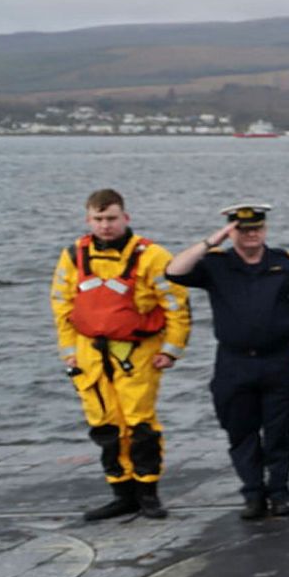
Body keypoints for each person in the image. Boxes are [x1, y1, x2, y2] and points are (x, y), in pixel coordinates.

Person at [165, 205, 289, 520]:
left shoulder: (284, 264)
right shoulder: (216, 264)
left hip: (278, 360)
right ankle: (252, 494)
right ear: (232, 232)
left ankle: (279, 494)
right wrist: (213, 240)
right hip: (234, 363)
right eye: (243, 229)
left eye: (257, 229)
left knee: (279, 432)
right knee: (240, 431)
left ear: (265, 229)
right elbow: (174, 271)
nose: (251, 235)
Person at [51, 188, 192, 521]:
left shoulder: (151, 255)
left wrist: (172, 351)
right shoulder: (73, 255)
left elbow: (177, 306)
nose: (105, 226)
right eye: (98, 219)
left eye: (111, 218)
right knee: (104, 425)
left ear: (125, 217)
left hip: (136, 354)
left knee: (139, 424)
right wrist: (68, 352)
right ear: (88, 220)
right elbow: (61, 305)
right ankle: (121, 492)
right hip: (88, 355)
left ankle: (148, 492)